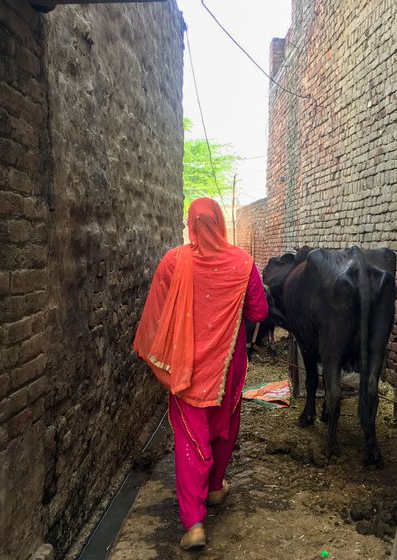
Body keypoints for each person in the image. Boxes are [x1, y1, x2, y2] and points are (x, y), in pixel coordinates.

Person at [133, 197, 268, 550]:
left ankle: (193, 523)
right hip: (228, 366)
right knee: (223, 426)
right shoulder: (243, 263)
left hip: (187, 368)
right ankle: (215, 488)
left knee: (191, 437)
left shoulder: (173, 262)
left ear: (191, 226)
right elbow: (258, 312)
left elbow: (159, 312)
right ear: (220, 224)